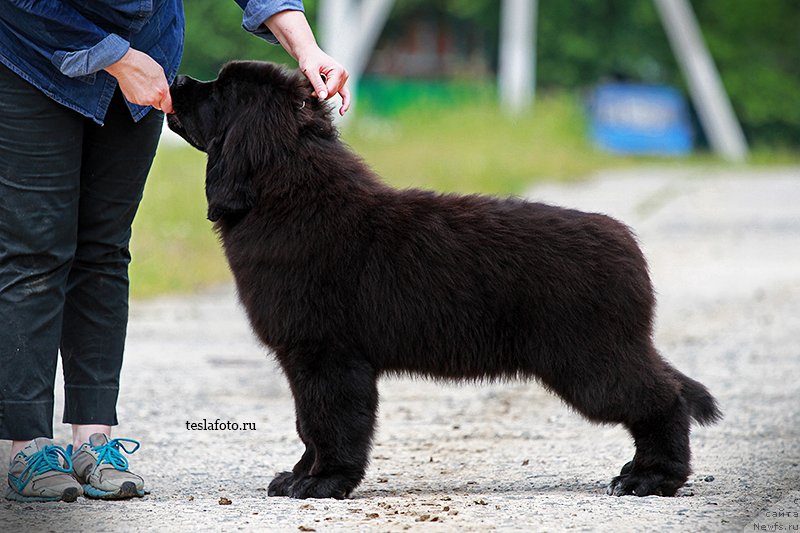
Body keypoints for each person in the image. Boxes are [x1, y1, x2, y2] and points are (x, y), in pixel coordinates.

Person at [0, 0, 349, 502]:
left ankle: (94, 442)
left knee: (103, 250)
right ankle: (29, 445)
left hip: (146, 52)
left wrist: (306, 45)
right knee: (36, 252)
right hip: (34, 54)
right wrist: (116, 58)